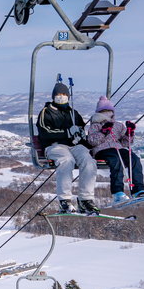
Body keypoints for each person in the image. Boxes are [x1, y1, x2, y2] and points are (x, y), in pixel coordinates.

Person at [36, 77, 99, 215]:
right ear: (54, 96)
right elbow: (45, 132)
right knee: (66, 161)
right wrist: (67, 133)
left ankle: (85, 199)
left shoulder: (73, 112)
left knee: (89, 162)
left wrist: (80, 135)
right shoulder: (46, 112)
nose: (62, 97)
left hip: (74, 146)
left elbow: (81, 127)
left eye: (64, 95)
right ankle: (65, 200)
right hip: (55, 146)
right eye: (59, 95)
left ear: (68, 96)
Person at [86, 95, 144, 203]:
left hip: (118, 148)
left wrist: (129, 133)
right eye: (104, 111)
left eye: (108, 111)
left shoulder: (118, 125)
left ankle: (138, 190)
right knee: (116, 161)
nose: (106, 113)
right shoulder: (95, 125)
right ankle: (118, 192)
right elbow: (92, 141)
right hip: (102, 150)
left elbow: (126, 143)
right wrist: (103, 132)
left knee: (134, 159)